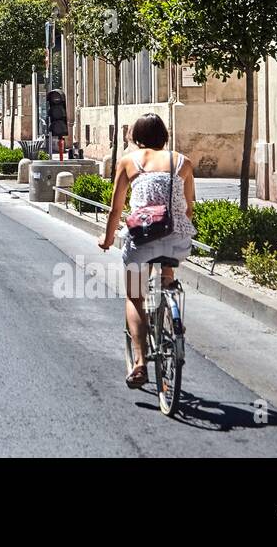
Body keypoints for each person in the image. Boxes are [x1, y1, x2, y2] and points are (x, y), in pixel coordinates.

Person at [98, 113, 196, 389]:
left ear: (135, 137)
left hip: (142, 237)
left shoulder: (129, 162)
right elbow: (189, 207)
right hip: (177, 239)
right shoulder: (182, 162)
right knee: (168, 262)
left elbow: (116, 209)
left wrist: (106, 240)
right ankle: (170, 300)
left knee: (134, 296)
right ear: (164, 136)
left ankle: (140, 362)